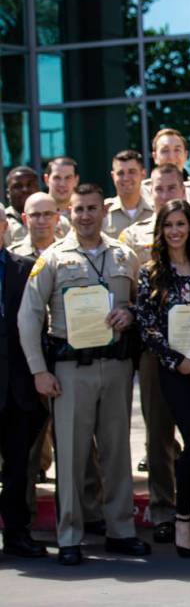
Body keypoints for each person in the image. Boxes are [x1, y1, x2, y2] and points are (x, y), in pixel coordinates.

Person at [18, 183, 151, 566]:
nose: (86, 215)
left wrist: (130, 315)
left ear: (103, 211)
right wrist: (39, 371)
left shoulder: (125, 256)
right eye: (79, 209)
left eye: (93, 208)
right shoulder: (54, 259)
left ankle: (121, 530)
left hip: (116, 365)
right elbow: (29, 316)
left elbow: (142, 305)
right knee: (72, 456)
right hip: (70, 369)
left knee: (116, 452)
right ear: (68, 214)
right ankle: (71, 535)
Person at [119, 164, 190, 543]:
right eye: (168, 226)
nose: (175, 231)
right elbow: (147, 326)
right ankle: (181, 518)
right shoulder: (152, 272)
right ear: (160, 230)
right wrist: (176, 360)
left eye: (181, 225)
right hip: (174, 368)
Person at [0, 209, 48, 559]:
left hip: (19, 388)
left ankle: (17, 534)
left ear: (5, 227)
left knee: (18, 469)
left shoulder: (26, 267)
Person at [102, 150, 153, 239]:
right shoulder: (103, 213)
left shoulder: (156, 211)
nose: (126, 178)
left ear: (143, 174)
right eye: (120, 173)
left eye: (132, 172)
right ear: (113, 176)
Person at [4, 166, 41, 245]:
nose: (25, 189)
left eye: (30, 185)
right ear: (8, 193)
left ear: (38, 188)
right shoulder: (2, 220)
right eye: (18, 186)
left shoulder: (57, 220)